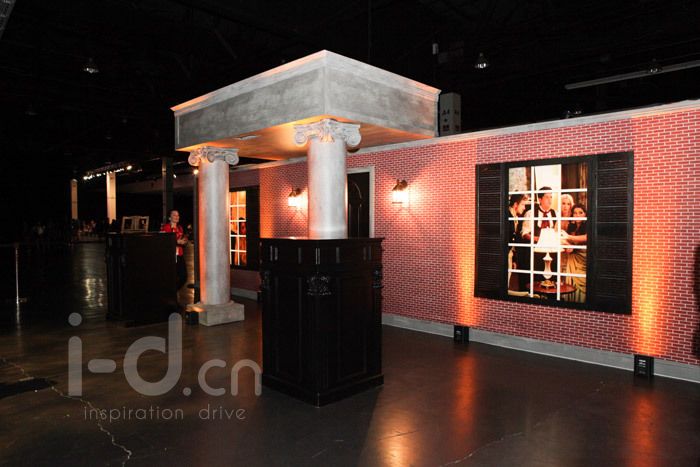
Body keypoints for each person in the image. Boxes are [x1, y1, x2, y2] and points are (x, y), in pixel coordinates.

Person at [521, 187, 558, 284]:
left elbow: (558, 233)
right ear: (540, 199)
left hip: (551, 252)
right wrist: (538, 239)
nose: (550, 200)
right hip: (536, 252)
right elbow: (524, 233)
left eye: (551, 197)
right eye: (547, 197)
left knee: (551, 280)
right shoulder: (530, 213)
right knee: (536, 280)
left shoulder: (556, 214)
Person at [562, 204, 587, 303]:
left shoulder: (588, 225)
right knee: (571, 283)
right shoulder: (571, 227)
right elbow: (568, 244)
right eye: (575, 213)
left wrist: (568, 237)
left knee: (583, 283)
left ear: (585, 214)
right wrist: (566, 245)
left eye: (580, 213)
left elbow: (586, 237)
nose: (577, 215)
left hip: (583, 260)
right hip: (572, 259)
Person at [161, 210, 188, 290]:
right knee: (171, 277)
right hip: (170, 256)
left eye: (178, 215)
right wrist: (176, 242)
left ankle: (173, 292)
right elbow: (164, 242)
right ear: (169, 218)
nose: (177, 217)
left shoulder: (180, 228)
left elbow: (182, 239)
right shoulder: (166, 228)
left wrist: (184, 241)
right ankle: (171, 294)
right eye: (174, 215)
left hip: (179, 255)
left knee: (183, 277)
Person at [507, 193, 529, 292]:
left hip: (510, 255)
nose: (524, 208)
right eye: (523, 204)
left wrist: (514, 259)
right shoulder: (507, 216)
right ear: (516, 205)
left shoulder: (515, 217)